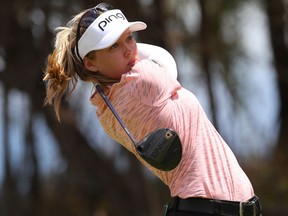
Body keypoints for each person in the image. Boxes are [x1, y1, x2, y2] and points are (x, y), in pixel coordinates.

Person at [43, 2, 262, 216]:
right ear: (90, 64)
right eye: (113, 46)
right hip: (211, 209)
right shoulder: (142, 80)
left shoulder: (104, 106)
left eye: (129, 38)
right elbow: (164, 59)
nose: (130, 51)